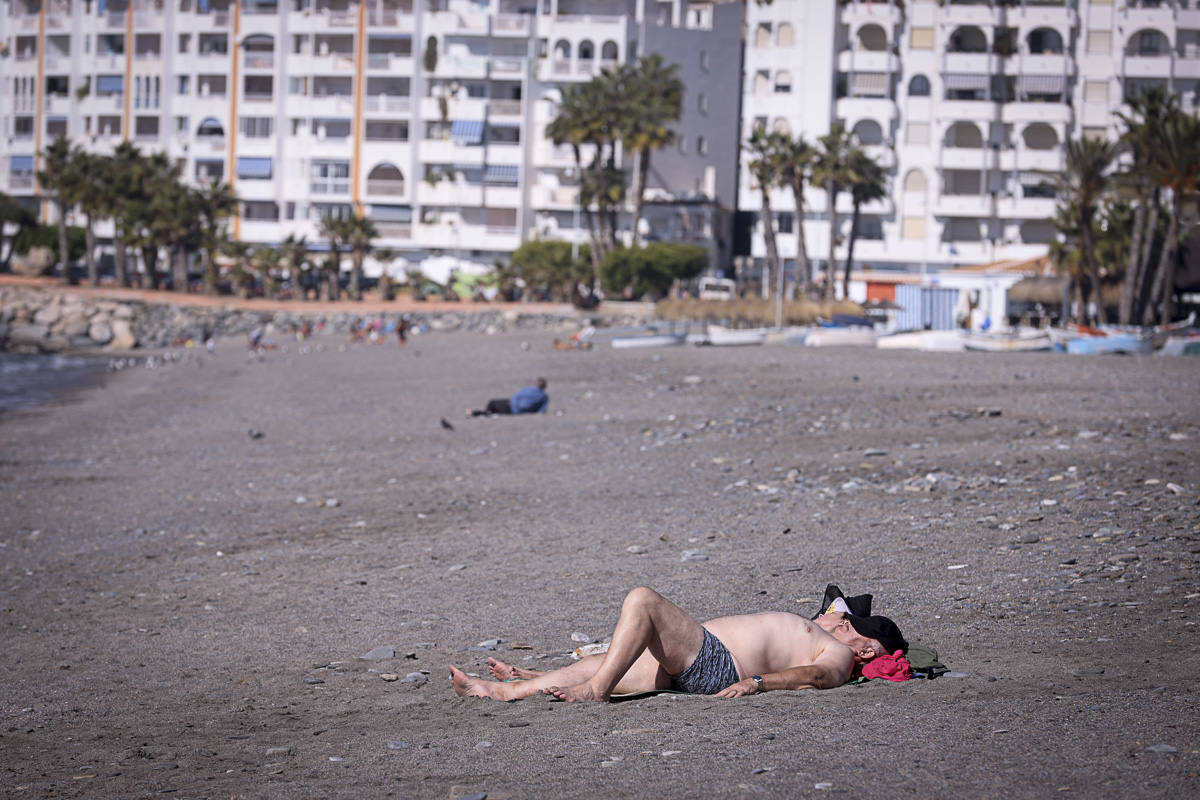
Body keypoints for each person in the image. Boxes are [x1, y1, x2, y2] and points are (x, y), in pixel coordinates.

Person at [448, 586, 906, 703]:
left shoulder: (841, 655)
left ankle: (595, 692)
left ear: (867, 649)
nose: (842, 621)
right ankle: (503, 690)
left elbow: (816, 676)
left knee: (643, 602)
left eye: (851, 624)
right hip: (709, 659)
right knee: (607, 660)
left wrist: (759, 683)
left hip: (722, 666)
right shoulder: (829, 633)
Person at [467, 377, 549, 417]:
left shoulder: (529, 389)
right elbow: (542, 411)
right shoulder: (545, 397)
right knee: (494, 409)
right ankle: (476, 413)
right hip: (516, 410)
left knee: (492, 403)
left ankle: (476, 413)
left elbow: (516, 397)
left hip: (512, 406)